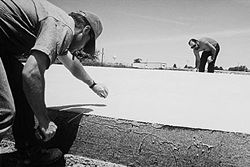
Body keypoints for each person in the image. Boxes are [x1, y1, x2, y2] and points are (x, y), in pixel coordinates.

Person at [0, 0, 108, 166]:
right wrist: (44, 120)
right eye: (86, 44)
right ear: (85, 31)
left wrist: (93, 85)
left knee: (21, 92)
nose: (80, 50)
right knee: (4, 111)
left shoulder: (57, 23)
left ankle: (28, 152)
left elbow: (72, 63)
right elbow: (32, 72)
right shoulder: (61, 26)